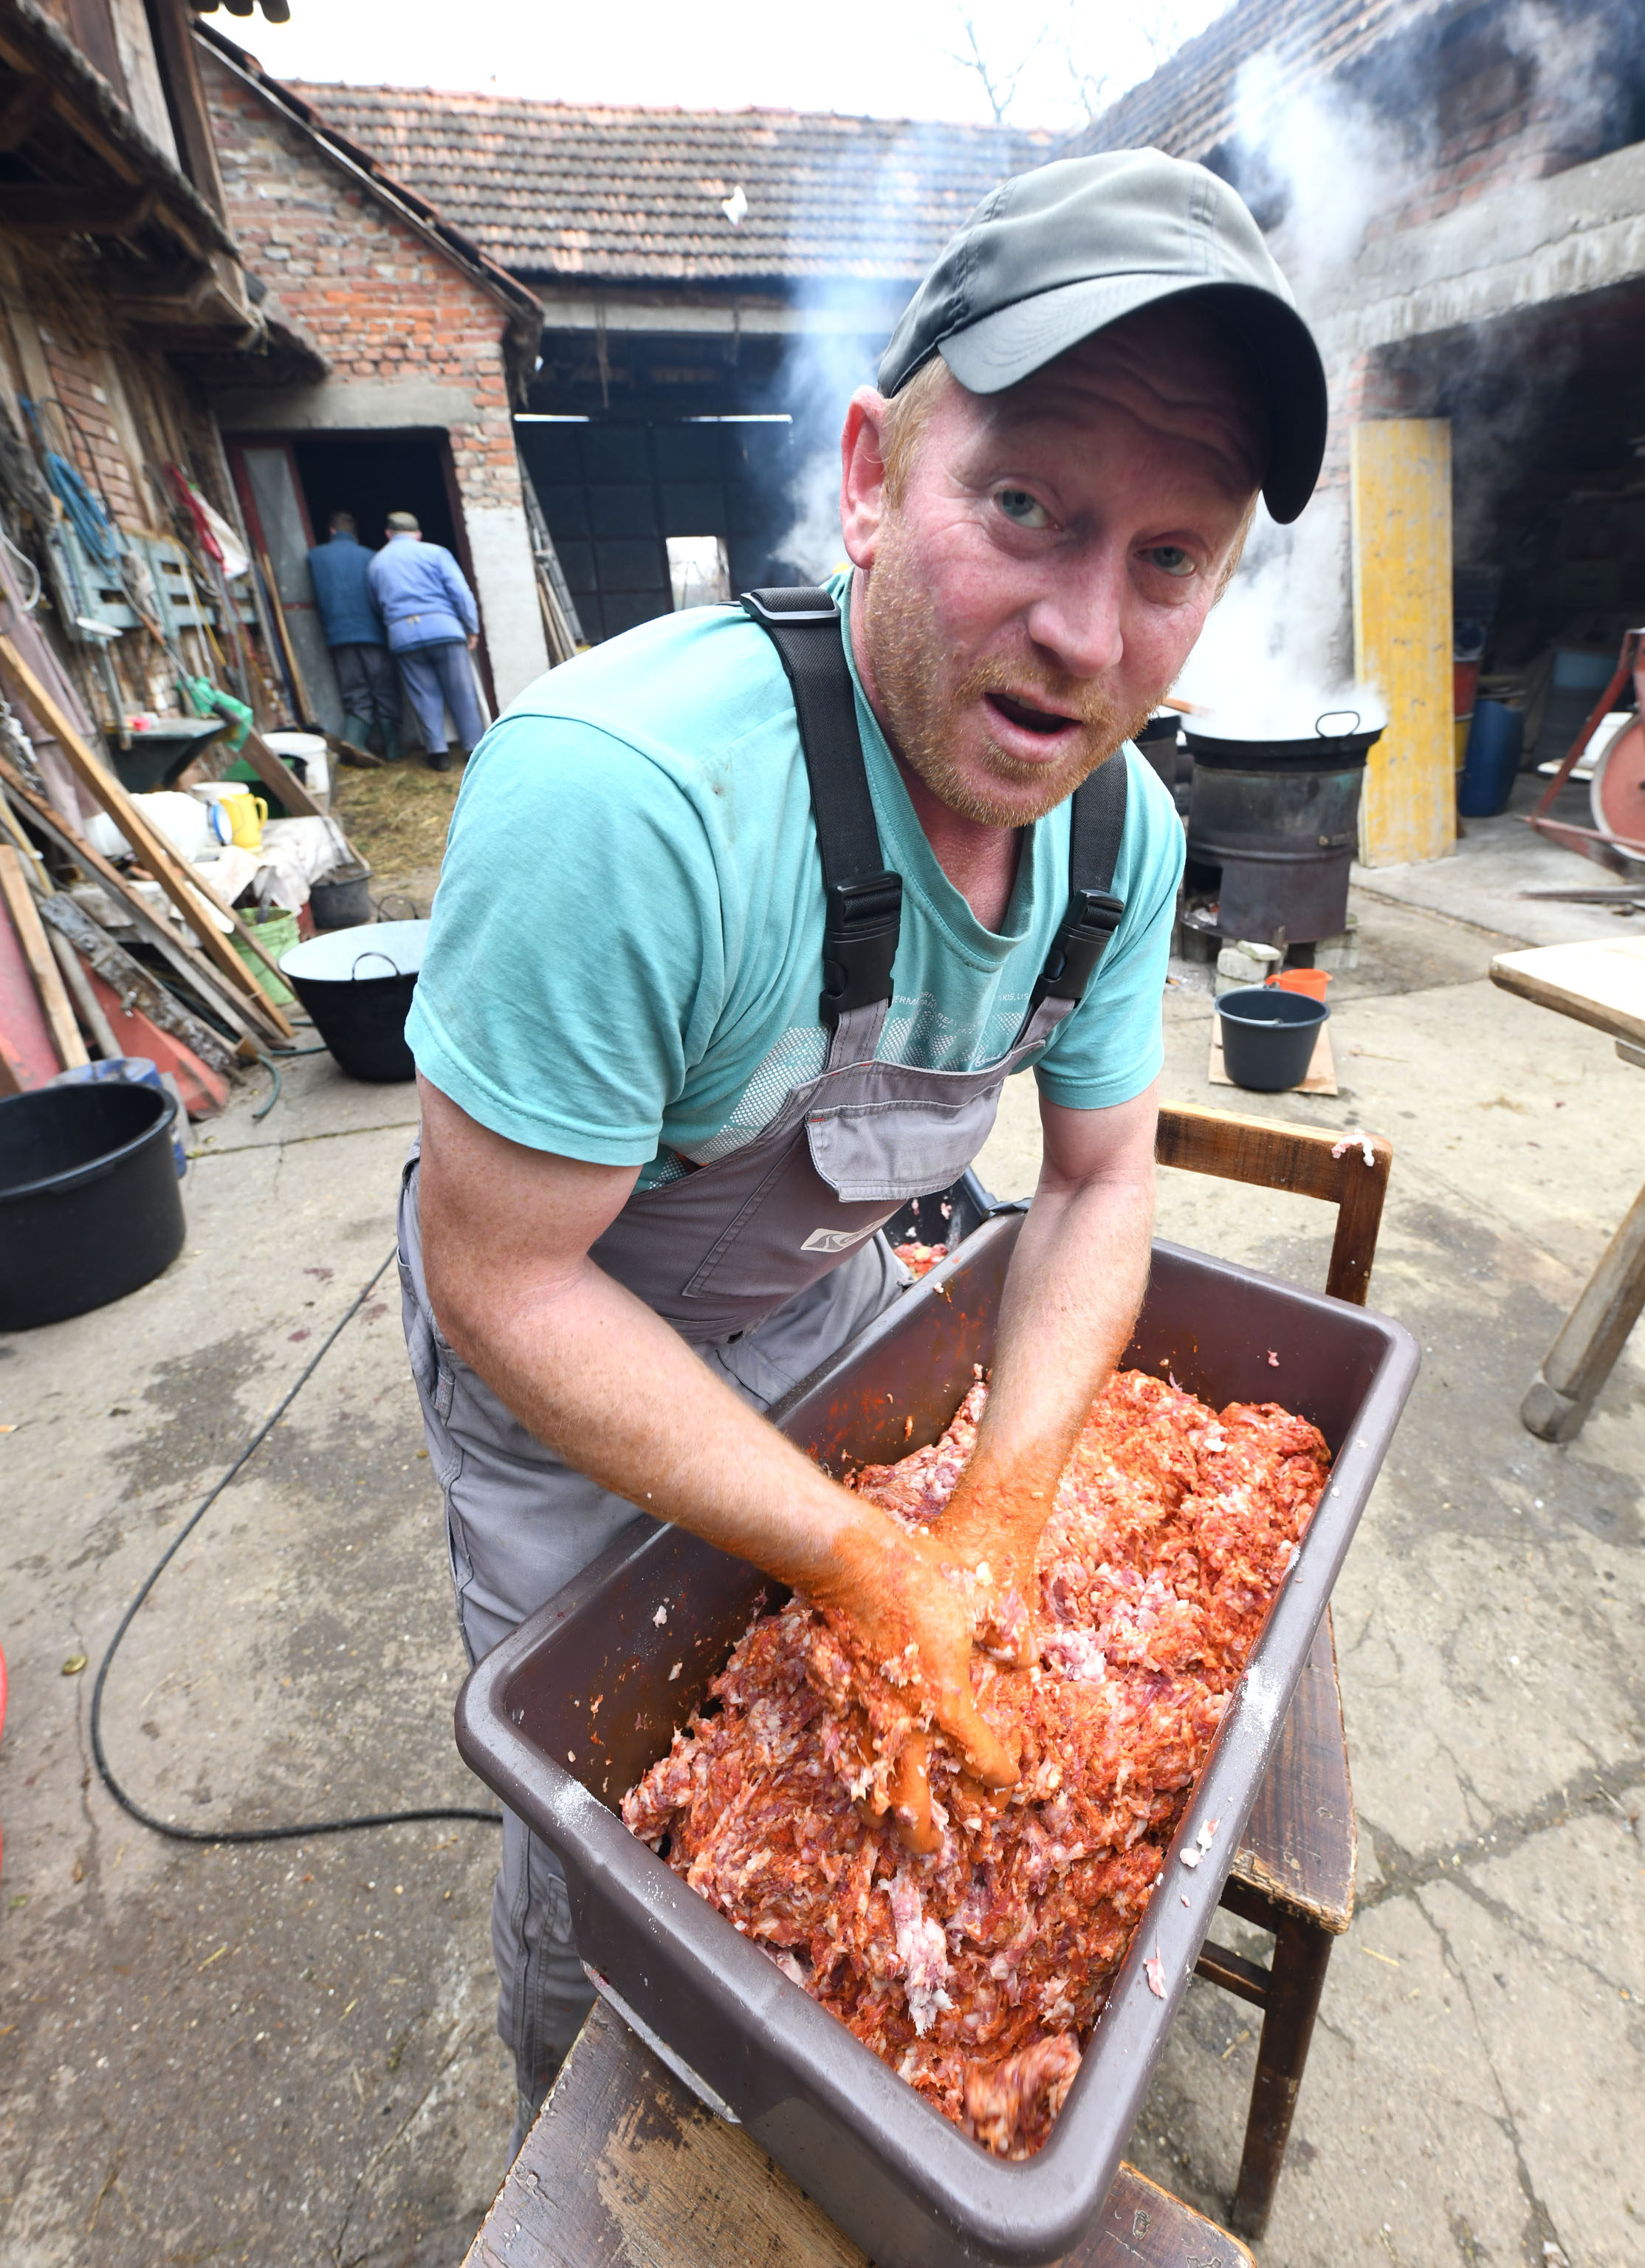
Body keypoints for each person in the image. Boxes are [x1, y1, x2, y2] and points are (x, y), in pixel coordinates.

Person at [398, 148, 1328, 2146]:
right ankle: (574, 2085)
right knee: (597, 1802)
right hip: (558, 1332)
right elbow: (501, 1271)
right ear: (865, 478)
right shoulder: (626, 806)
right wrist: (847, 1549)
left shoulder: (1116, 832)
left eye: (1165, 558)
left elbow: (1091, 1183)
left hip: (815, 1298)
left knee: (832, 1696)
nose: (1085, 630)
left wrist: (987, 1517)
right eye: (1025, 506)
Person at [367, 510, 487, 772]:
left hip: (402, 634)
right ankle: (473, 748)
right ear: (418, 534)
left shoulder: (377, 563)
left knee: (423, 695)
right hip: (443, 626)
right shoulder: (435, 553)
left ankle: (438, 753)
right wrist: (471, 628)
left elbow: (375, 605)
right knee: (461, 692)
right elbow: (460, 592)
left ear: (388, 534)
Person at [305, 511, 398, 756]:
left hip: (338, 636)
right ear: (355, 535)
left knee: (354, 689)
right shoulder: (371, 557)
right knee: (383, 688)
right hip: (373, 634)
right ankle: (392, 748)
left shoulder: (316, 557)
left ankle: (355, 742)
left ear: (332, 531)